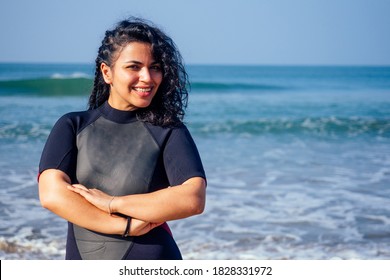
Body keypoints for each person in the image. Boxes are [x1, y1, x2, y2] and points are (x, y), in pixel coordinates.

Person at [38, 17, 206, 260]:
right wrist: (123, 226)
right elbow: (52, 195)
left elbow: (193, 197)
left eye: (155, 67)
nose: (148, 77)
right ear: (107, 72)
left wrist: (113, 203)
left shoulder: (169, 130)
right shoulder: (73, 126)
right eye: (134, 67)